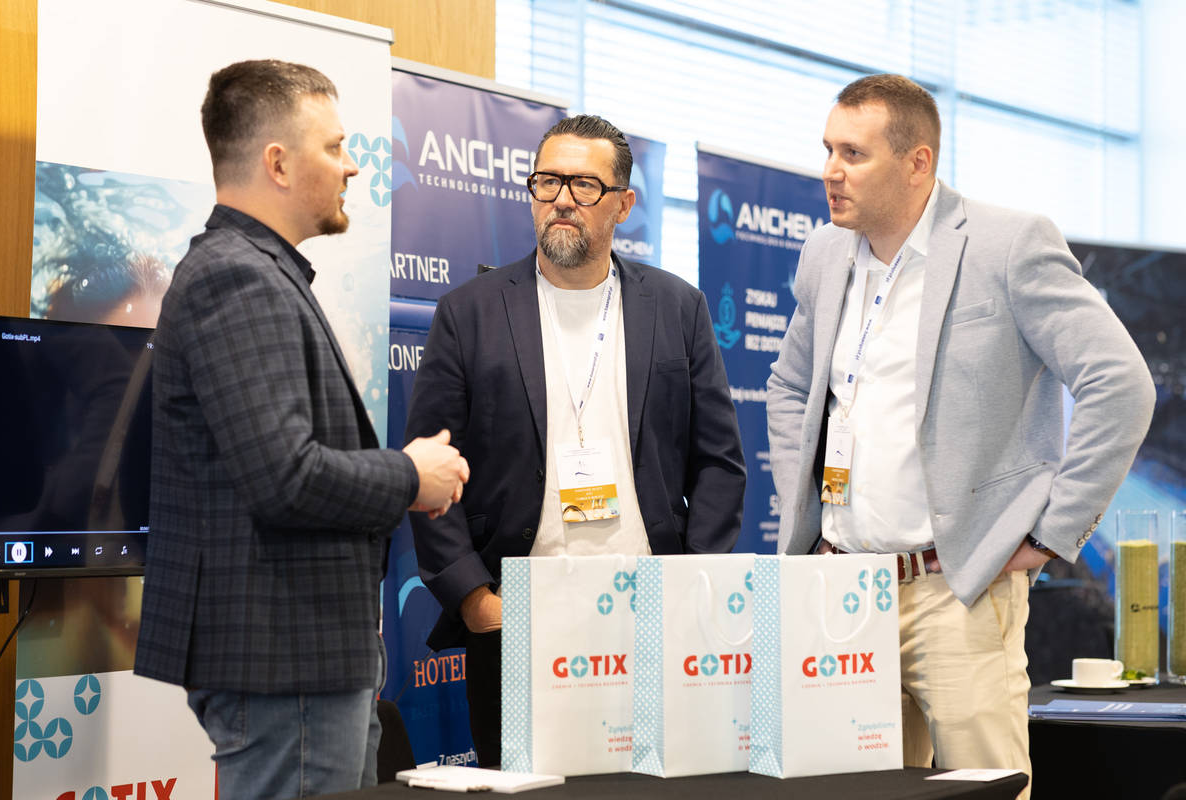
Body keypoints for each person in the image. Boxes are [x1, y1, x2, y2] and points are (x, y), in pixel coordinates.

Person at [766, 74, 1154, 797]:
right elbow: (791, 387)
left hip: (958, 590)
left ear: (918, 162)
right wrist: (807, 515)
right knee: (859, 792)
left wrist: (1051, 533)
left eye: (853, 153)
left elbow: (1121, 384)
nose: (830, 171)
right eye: (828, 150)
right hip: (844, 591)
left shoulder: (1009, 244)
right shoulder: (824, 253)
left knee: (988, 789)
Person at [133, 59, 469, 799]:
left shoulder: (261, 271)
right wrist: (412, 475)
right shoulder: (238, 276)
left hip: (303, 661)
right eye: (335, 147)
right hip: (282, 661)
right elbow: (285, 477)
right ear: (278, 163)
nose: (352, 166)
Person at [405, 114, 747, 767]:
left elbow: (719, 464)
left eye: (584, 185)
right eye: (547, 182)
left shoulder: (678, 308)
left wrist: (691, 585)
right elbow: (431, 468)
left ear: (624, 204)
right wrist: (475, 600)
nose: (562, 199)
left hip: (654, 618)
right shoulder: (469, 312)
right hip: (518, 619)